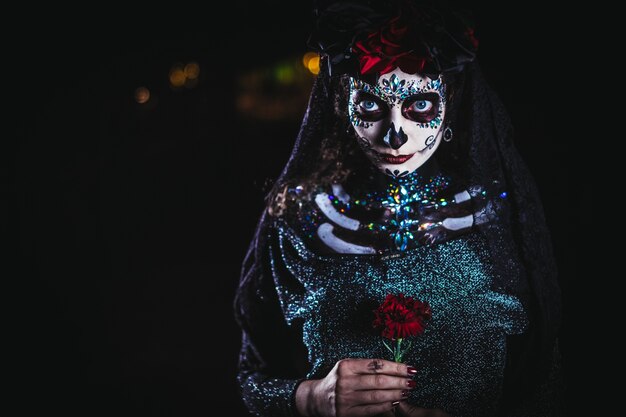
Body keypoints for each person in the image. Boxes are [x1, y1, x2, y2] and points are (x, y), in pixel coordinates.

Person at [234, 1, 563, 416]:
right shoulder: (299, 219)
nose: (395, 135)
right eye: (371, 105)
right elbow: (253, 377)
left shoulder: (499, 217)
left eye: (419, 106)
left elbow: (543, 377)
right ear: (341, 105)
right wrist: (313, 397)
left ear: (451, 108)